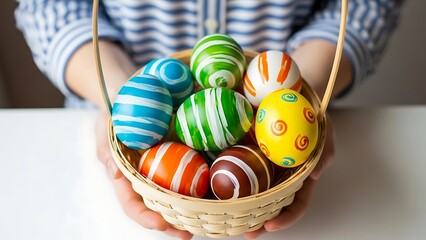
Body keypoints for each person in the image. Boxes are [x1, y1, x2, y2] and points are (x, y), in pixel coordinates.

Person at [15, 0, 403, 239]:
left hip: (324, 205)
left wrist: (307, 91)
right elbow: (47, 7)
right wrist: (117, 99)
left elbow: (369, 5)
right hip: (88, 185)